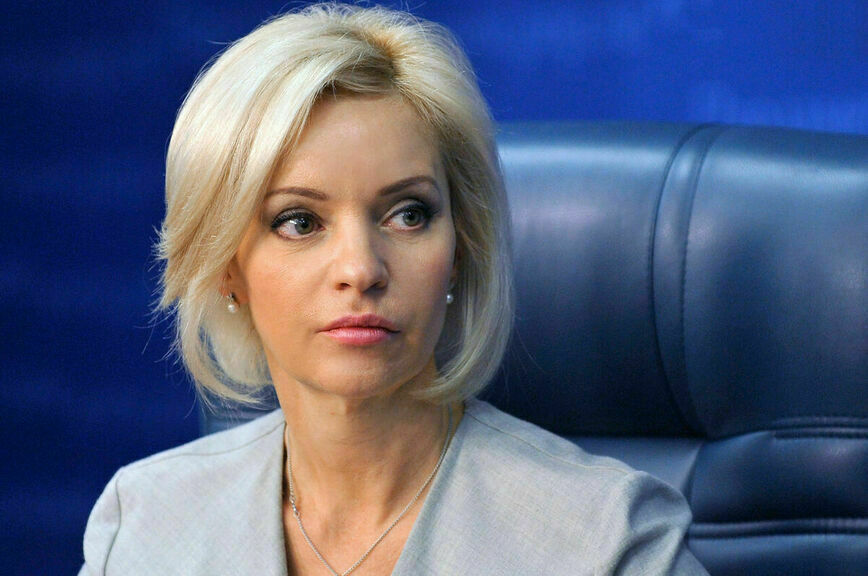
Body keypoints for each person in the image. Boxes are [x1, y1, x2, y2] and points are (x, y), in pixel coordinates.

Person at [80, 3, 709, 574]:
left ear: (460, 248)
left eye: (408, 214)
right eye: (299, 222)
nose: (361, 269)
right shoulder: (142, 526)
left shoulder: (610, 542)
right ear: (226, 266)